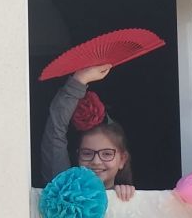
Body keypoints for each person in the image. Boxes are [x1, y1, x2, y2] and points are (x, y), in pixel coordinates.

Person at [41, 64, 135, 201]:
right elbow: (55, 133)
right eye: (87, 153)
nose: (96, 161)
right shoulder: (65, 189)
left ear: (122, 159)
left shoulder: (129, 196)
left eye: (107, 154)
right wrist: (79, 80)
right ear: (77, 156)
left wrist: (125, 196)